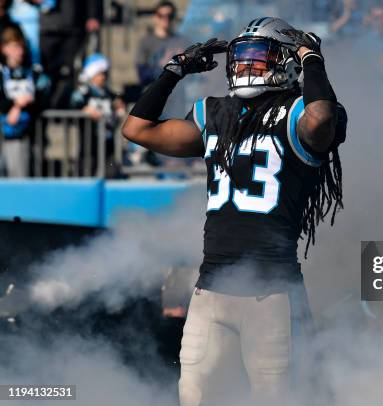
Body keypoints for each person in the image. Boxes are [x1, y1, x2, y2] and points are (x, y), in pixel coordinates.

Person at [122, 17, 347, 405]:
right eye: (240, 58)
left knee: (277, 398)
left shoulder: (299, 113)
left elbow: (321, 117)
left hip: (271, 293)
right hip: (211, 290)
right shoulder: (215, 113)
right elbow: (137, 129)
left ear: (286, 62)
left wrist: (312, 57)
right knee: (194, 397)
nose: (244, 66)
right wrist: (174, 71)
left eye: (257, 58)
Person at [0, 26, 48, 177]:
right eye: (15, 46)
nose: (19, 51)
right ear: (4, 49)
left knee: (19, 178)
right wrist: (16, 104)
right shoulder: (2, 72)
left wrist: (21, 106)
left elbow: (42, 99)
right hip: (3, 133)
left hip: (24, 135)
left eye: (21, 46)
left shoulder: (33, 72)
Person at [70, 53, 125, 177]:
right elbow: (73, 103)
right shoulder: (84, 91)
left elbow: (117, 104)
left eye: (104, 73)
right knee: (86, 174)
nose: (103, 77)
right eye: (100, 73)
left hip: (107, 143)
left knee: (110, 175)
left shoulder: (108, 93)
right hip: (89, 144)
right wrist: (85, 109)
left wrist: (119, 108)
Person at [39, 0, 103, 107]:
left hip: (74, 25)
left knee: (71, 70)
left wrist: (93, 15)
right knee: (46, 70)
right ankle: (47, 106)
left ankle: (69, 105)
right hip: (46, 27)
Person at [135, 0, 187, 88]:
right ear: (155, 17)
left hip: (178, 93)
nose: (165, 19)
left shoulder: (181, 41)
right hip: (155, 92)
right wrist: (163, 66)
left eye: (169, 16)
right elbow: (142, 75)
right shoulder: (146, 42)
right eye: (161, 15)